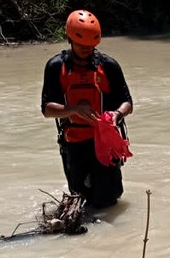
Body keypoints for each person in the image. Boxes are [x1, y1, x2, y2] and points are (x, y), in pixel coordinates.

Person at [40, 10, 133, 208]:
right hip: (74, 143)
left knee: (109, 200)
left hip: (104, 141)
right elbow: (47, 109)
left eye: (91, 46)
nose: (86, 50)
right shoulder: (56, 67)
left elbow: (127, 103)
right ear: (70, 39)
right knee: (81, 200)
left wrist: (117, 114)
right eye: (82, 45)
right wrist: (73, 109)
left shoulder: (108, 65)